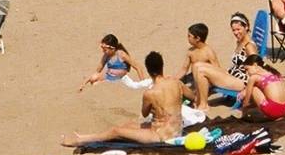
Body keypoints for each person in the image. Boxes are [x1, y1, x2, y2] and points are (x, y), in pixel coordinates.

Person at [63, 51, 194, 147]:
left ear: (148, 70)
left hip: (161, 135)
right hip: (177, 130)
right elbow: (192, 97)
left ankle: (82, 140)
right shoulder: (176, 82)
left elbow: (144, 113)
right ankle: (85, 137)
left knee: (116, 131)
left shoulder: (150, 93)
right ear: (162, 66)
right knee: (128, 125)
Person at [188, 12, 258, 104]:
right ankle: (198, 99)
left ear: (246, 27)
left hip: (242, 82)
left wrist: (247, 90)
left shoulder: (249, 46)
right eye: (233, 30)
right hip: (232, 74)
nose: (236, 33)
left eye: (238, 29)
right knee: (197, 65)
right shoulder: (240, 42)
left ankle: (203, 105)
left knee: (202, 71)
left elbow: (256, 69)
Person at [237, 53, 285, 119]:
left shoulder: (254, 77)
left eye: (247, 69)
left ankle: (270, 114)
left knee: (253, 89)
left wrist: (243, 113)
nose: (246, 73)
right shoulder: (274, 73)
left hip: (274, 110)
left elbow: (247, 100)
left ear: (255, 65)